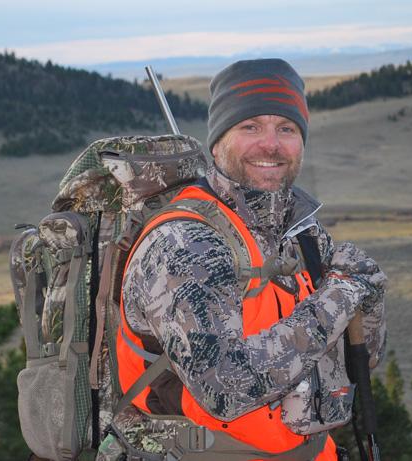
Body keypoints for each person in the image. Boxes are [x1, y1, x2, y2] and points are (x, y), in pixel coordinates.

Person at [108, 58, 387, 461]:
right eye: (250, 126)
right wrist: (342, 296)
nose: (271, 145)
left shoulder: (302, 232)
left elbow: (362, 358)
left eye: (286, 129)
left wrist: (370, 298)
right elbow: (227, 389)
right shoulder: (185, 243)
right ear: (218, 143)